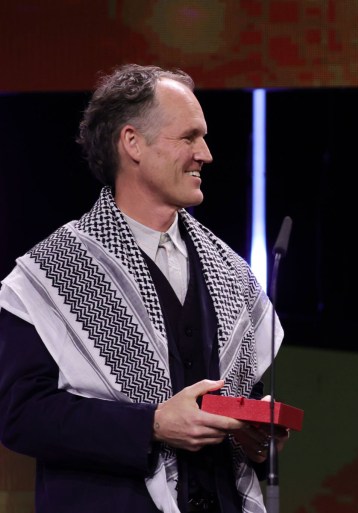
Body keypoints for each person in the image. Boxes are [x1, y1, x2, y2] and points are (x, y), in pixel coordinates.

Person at [0, 64, 288, 513]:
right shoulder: (51, 274)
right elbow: (22, 415)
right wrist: (151, 424)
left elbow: (239, 394)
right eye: (189, 137)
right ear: (132, 143)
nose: (206, 154)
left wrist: (254, 434)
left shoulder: (230, 270)